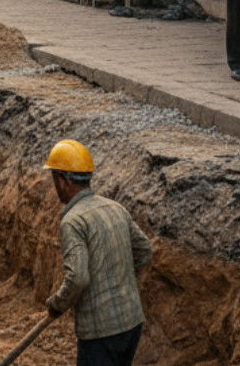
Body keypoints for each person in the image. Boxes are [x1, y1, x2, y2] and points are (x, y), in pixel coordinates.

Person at [43, 139, 152, 366]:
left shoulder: (73, 221)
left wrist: (57, 303)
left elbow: (78, 278)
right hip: (131, 323)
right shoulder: (115, 207)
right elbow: (144, 251)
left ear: (63, 181)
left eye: (54, 178)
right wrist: (122, 284)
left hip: (101, 333)